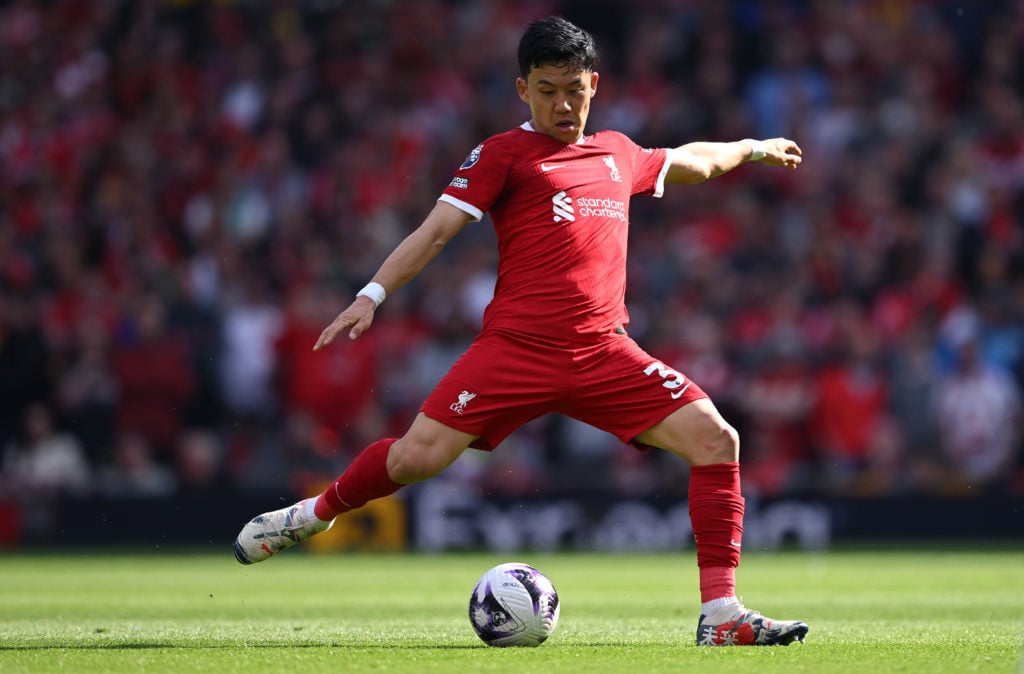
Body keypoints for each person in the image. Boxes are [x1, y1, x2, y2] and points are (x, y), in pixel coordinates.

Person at [234, 16, 808, 647]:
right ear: (522, 90)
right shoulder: (502, 154)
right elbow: (435, 232)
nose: (562, 104)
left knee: (715, 438)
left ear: (594, 84)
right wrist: (371, 295)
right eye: (545, 90)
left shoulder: (618, 153)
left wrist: (752, 147)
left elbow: (695, 159)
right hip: (516, 351)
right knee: (413, 460)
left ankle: (721, 614)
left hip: (604, 353)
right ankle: (310, 516)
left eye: (573, 89)